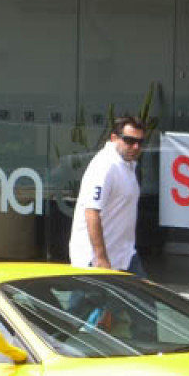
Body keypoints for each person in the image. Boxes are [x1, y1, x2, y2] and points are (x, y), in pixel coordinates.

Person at [69, 115, 145, 275]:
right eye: (129, 141)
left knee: (145, 298)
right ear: (114, 138)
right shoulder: (105, 166)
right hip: (95, 260)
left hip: (125, 256)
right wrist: (101, 258)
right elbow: (91, 212)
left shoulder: (128, 165)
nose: (135, 146)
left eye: (140, 142)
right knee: (85, 299)